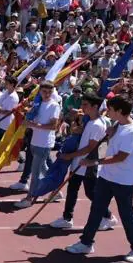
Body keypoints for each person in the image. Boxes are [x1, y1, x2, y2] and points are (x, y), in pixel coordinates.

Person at [66, 95, 133, 263]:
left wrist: (93, 162)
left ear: (119, 111)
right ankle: (86, 242)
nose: (107, 112)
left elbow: (120, 157)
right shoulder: (118, 124)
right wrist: (111, 134)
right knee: (96, 210)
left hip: (123, 180)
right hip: (106, 177)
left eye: (110, 109)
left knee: (126, 214)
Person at [50, 93, 117, 230]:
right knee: (72, 189)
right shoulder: (88, 121)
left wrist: (70, 156)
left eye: (85, 105)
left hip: (87, 164)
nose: (82, 107)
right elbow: (79, 134)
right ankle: (67, 218)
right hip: (78, 162)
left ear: (95, 106)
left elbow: (90, 147)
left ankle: (108, 216)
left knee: (90, 192)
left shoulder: (97, 125)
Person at [15, 81, 61, 208]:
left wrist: (33, 125)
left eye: (49, 92)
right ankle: (56, 190)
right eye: (44, 91)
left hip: (44, 143)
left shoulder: (54, 106)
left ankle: (30, 198)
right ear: (40, 91)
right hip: (35, 141)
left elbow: (53, 126)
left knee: (35, 173)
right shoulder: (38, 103)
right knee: (43, 169)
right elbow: (33, 118)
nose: (46, 94)